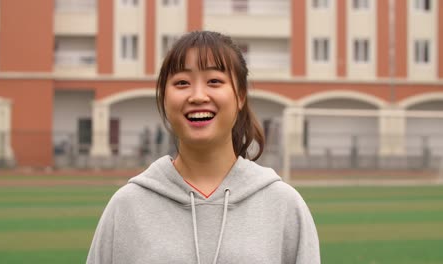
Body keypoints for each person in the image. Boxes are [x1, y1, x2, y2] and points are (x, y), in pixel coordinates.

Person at [87, 31, 320, 264]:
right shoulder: (127, 205)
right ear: (164, 98)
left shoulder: (284, 205)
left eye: (214, 81)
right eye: (182, 83)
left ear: (240, 96)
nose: (198, 96)